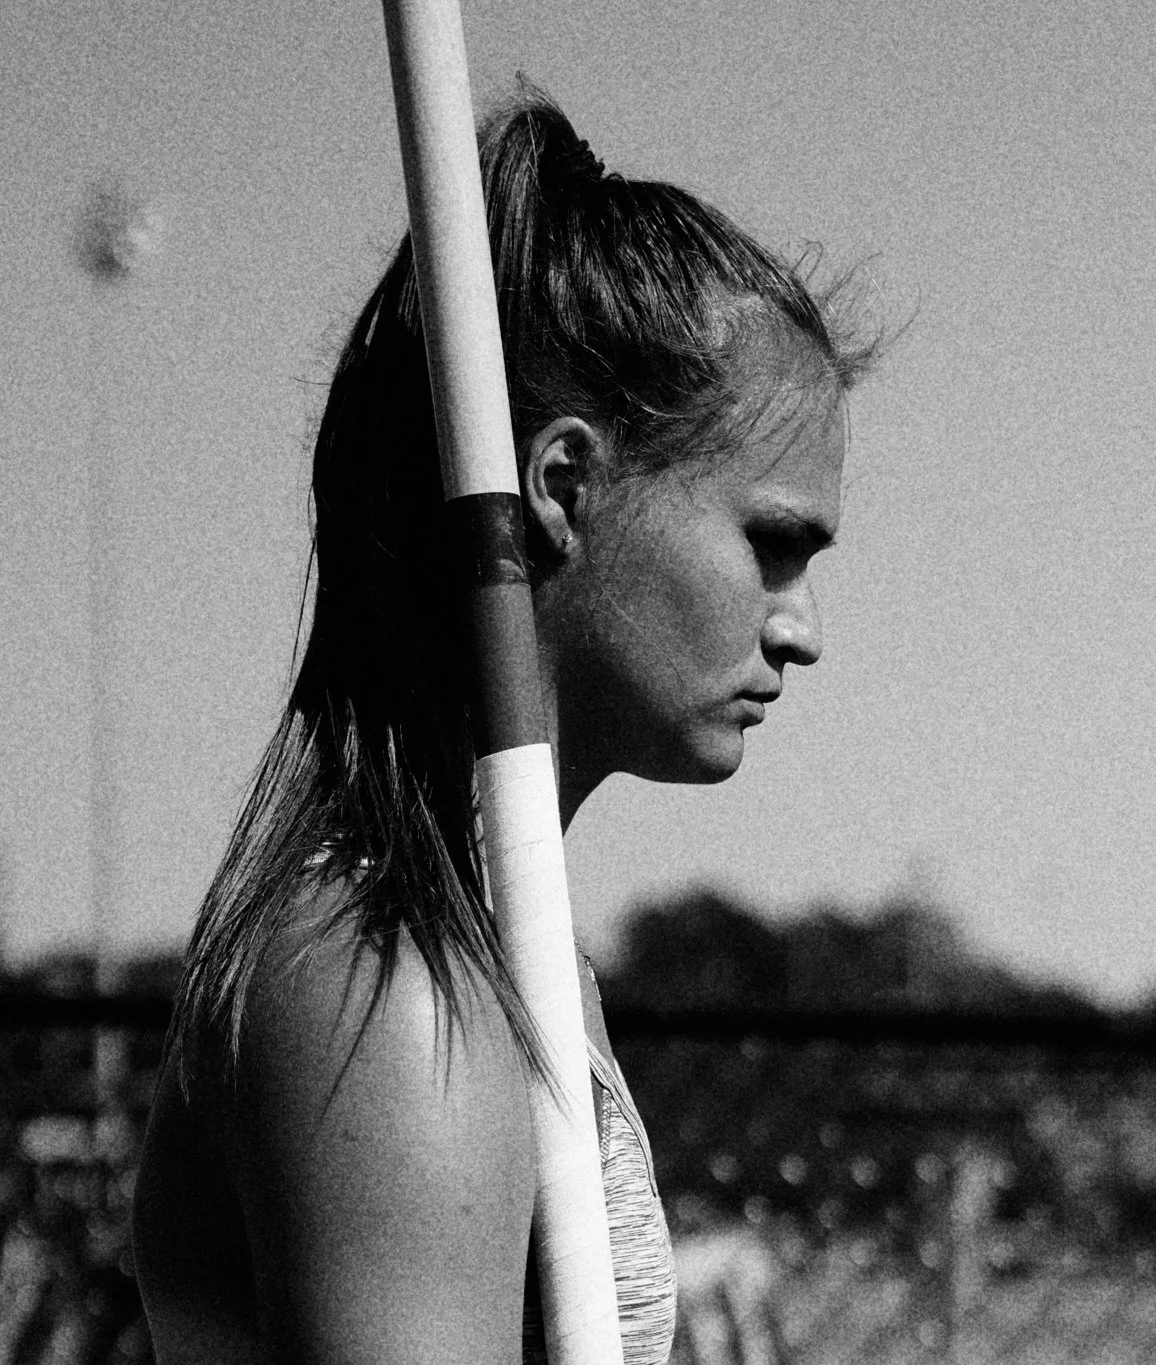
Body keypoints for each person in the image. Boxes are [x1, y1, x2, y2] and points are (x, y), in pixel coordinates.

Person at [130, 87, 871, 1365]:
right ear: (563, 485)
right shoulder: (392, 989)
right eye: (772, 545)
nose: (800, 628)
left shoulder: (502, 952)